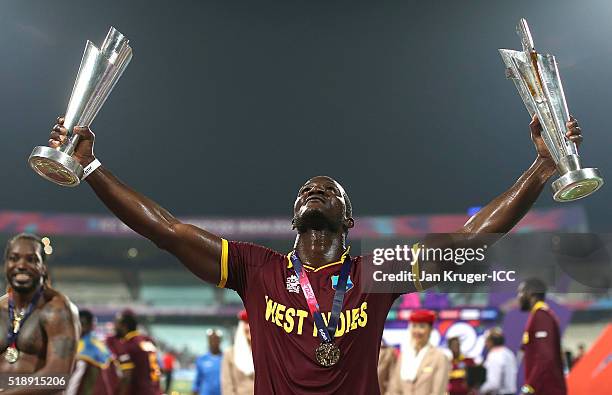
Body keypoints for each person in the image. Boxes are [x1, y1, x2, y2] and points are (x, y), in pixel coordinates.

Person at [46, 112, 583, 394]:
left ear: (348, 219)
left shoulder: (375, 272)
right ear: (293, 215)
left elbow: (470, 240)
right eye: (305, 189)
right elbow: (167, 229)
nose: (313, 190)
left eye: (328, 189)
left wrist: (540, 169)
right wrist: (91, 169)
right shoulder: (257, 269)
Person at [0, 233, 80, 394]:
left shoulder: (58, 309)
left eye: (31, 259)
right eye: (14, 258)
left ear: (43, 267)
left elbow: (58, 378)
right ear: (5, 265)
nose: (21, 265)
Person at [517, 278, 567, 395]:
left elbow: (545, 357)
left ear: (531, 293)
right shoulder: (538, 316)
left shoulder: (541, 317)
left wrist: (529, 387)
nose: (518, 297)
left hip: (547, 390)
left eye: (520, 292)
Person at [386, 310, 450, 395]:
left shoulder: (439, 357)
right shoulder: (404, 355)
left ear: (430, 330)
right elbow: (394, 388)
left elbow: (438, 392)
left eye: (422, 326)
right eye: (414, 326)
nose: (417, 331)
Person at [66, 309, 118, 395]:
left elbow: (74, 382)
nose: (80, 327)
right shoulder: (99, 344)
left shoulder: (87, 348)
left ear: (91, 325)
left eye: (83, 324)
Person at [112, 310, 162, 395]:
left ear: (124, 326)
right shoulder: (148, 340)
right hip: (156, 391)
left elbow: (126, 377)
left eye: (116, 324)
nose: (114, 327)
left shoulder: (127, 345)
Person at [222, 310, 255, 395]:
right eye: (247, 323)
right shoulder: (230, 354)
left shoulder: (268, 353)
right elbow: (227, 387)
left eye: (254, 322)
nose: (250, 327)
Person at [479, 328, 517, 395]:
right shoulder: (509, 353)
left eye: (486, 340)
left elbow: (494, 384)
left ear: (490, 341)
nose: (485, 343)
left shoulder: (494, 355)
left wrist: (480, 390)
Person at [192, 328, 223, 395]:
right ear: (208, 340)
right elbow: (197, 383)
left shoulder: (226, 359)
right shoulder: (201, 359)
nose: (214, 341)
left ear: (220, 341)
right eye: (211, 339)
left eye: (216, 339)